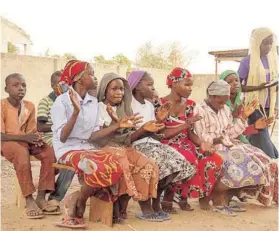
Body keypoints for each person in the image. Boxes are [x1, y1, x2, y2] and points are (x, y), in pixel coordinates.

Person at [51, 60, 129, 228]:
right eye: (91, 74)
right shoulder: (61, 102)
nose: (95, 77)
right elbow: (63, 137)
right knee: (93, 166)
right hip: (68, 149)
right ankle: (76, 205)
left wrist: (117, 125)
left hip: (88, 147)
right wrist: (76, 112)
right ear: (79, 78)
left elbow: (93, 136)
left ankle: (78, 199)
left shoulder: (93, 102)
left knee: (115, 164)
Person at [194, 80, 277, 214]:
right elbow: (200, 135)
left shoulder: (225, 109)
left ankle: (227, 197)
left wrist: (243, 118)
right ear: (212, 96)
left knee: (261, 159)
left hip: (227, 144)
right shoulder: (199, 110)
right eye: (221, 102)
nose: (222, 106)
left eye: (224, 102)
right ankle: (218, 199)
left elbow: (231, 133)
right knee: (235, 163)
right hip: (210, 147)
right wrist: (218, 139)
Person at [97, 73, 166, 222]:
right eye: (114, 89)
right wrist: (117, 125)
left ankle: (124, 203)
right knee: (124, 164)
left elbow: (128, 139)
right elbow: (99, 139)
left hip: (124, 148)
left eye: (121, 89)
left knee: (148, 165)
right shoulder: (99, 108)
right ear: (104, 90)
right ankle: (117, 208)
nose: (119, 92)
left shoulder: (125, 109)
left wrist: (144, 130)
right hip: (104, 148)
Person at [127, 70, 196, 218]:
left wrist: (159, 120)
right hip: (136, 144)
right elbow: (129, 134)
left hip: (151, 143)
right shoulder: (128, 105)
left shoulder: (149, 106)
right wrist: (146, 129)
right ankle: (147, 206)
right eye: (149, 84)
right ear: (137, 86)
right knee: (155, 163)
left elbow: (155, 131)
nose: (153, 88)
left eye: (153, 85)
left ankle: (156, 200)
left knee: (179, 162)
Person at [157, 67, 223, 212]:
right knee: (188, 158)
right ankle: (168, 200)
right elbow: (162, 134)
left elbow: (190, 132)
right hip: (166, 144)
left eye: (191, 85)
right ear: (174, 84)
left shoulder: (190, 105)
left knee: (213, 159)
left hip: (186, 143)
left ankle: (186, 197)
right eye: (187, 84)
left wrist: (202, 143)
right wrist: (186, 125)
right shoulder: (160, 103)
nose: (190, 88)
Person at [1, 73, 58, 219]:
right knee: (21, 153)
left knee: (49, 151)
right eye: (16, 85)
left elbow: (32, 130)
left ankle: (41, 196)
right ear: (6, 89)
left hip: (25, 141)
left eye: (23, 85)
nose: (21, 88)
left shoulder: (29, 106)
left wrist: (36, 138)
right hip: (8, 142)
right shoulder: (1, 106)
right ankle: (29, 199)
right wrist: (24, 138)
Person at [218, 70, 278, 206]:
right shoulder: (219, 104)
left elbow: (240, 131)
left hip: (236, 140)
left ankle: (252, 193)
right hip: (223, 142)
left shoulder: (241, 103)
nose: (234, 84)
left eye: (236, 81)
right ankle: (234, 193)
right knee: (249, 160)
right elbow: (225, 132)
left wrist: (256, 127)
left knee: (267, 160)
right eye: (229, 82)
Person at [238, 27, 278, 159]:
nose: (268, 47)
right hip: (253, 106)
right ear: (257, 43)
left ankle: (255, 165)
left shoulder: (273, 61)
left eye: (270, 43)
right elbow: (237, 86)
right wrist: (257, 87)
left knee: (257, 137)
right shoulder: (247, 61)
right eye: (265, 43)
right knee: (262, 138)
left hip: (268, 107)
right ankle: (270, 162)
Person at [37, 71, 75, 204]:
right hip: (50, 137)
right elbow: (41, 127)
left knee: (73, 159)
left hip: (66, 138)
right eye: (61, 84)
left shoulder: (70, 101)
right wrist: (60, 125)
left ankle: (55, 196)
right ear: (53, 86)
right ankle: (47, 190)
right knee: (64, 158)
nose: (65, 86)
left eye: (67, 83)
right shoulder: (46, 101)